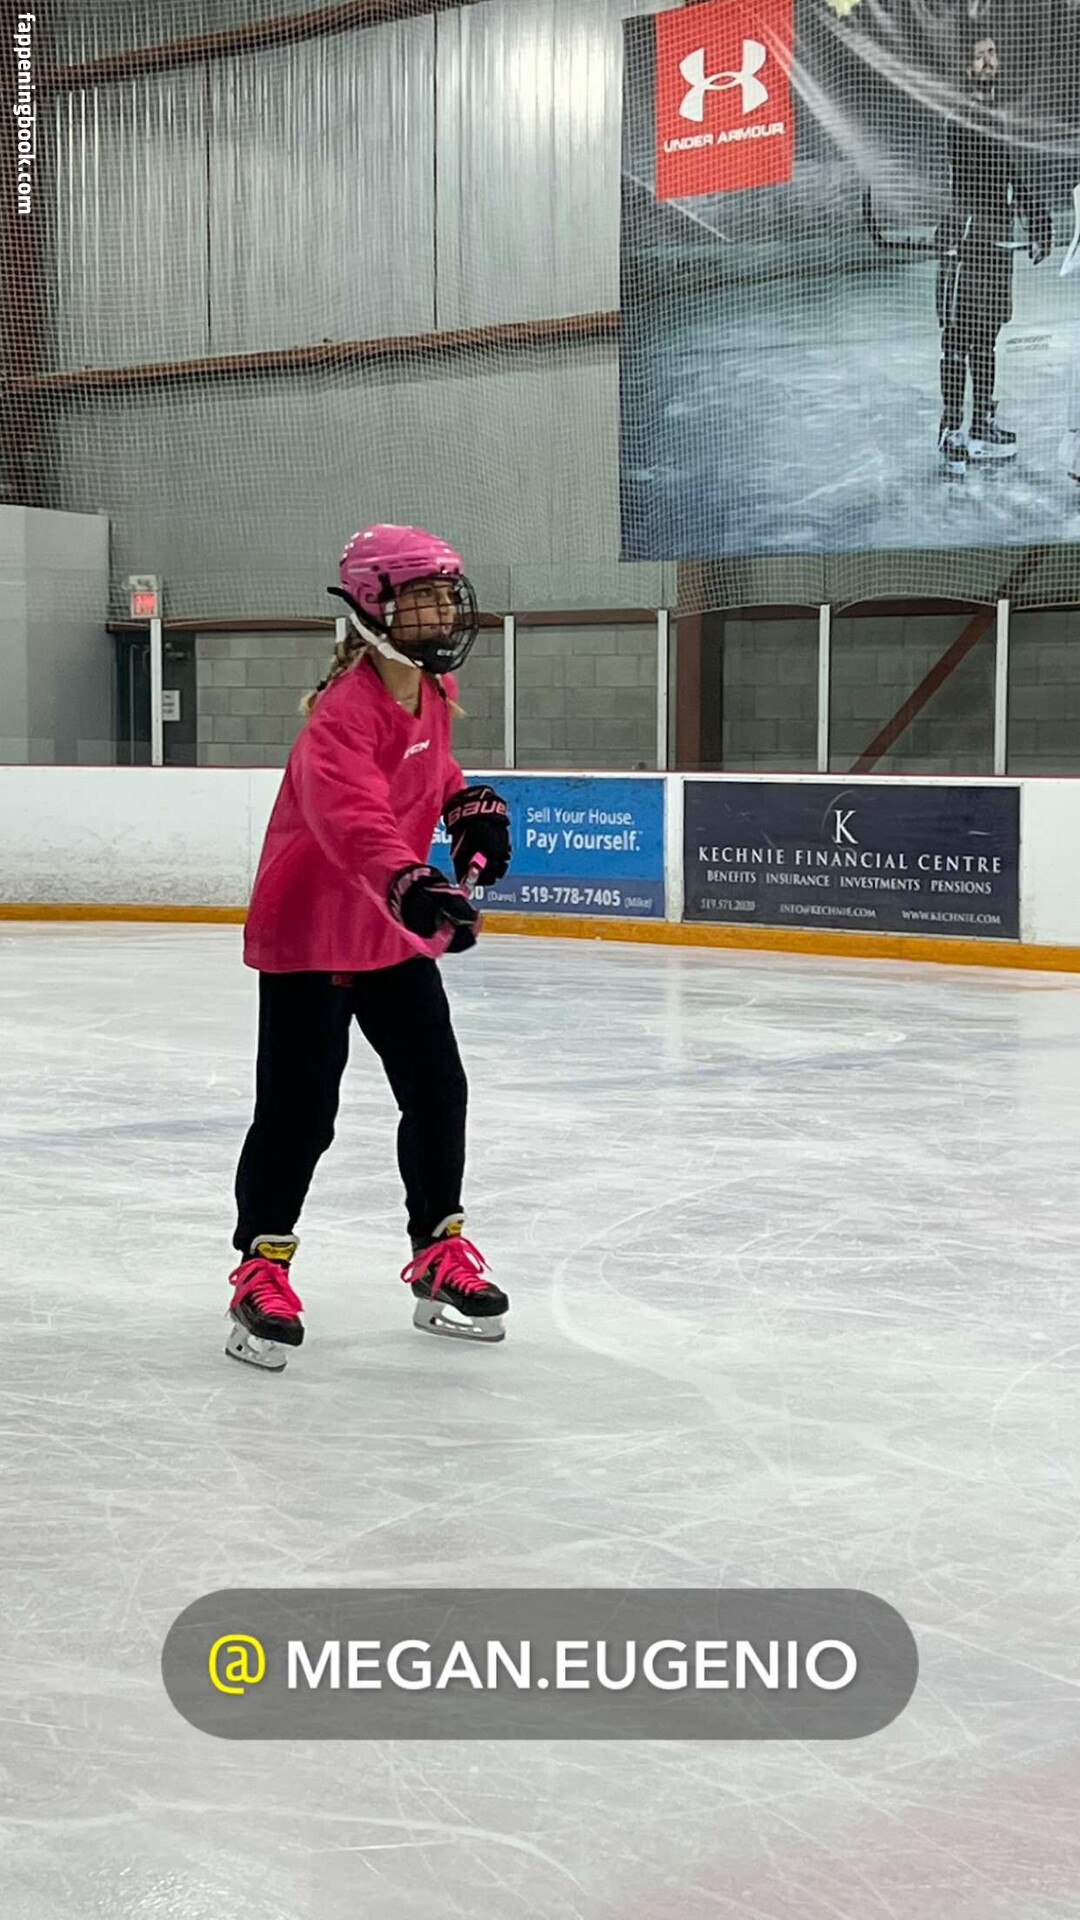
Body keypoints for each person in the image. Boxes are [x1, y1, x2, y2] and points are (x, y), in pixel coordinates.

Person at [225, 524, 513, 1372]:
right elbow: (353, 819)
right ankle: (261, 1266)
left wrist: (466, 807)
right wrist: (411, 882)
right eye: (421, 598)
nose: (441, 613)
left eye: (446, 596)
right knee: (300, 1114)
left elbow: (428, 773)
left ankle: (439, 1249)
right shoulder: (341, 716)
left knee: (438, 1090)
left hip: (387, 934)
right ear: (371, 606)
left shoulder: (433, 688)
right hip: (311, 934)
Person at [937, 36, 1052, 476]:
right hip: (966, 235)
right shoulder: (960, 110)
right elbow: (983, 170)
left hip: (996, 239)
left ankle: (982, 422)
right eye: (978, 54)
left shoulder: (998, 113)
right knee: (957, 336)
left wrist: (1037, 223)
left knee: (986, 335)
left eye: (992, 53)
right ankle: (951, 430)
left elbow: (1012, 175)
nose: (987, 60)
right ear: (965, 65)